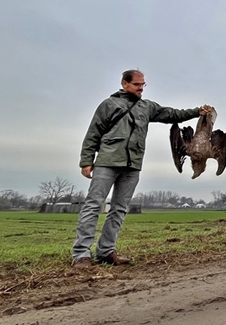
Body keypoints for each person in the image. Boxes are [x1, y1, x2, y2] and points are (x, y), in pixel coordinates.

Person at [71, 69, 211, 268]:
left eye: (143, 85)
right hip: (107, 162)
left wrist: (197, 111)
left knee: (119, 209)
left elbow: (172, 114)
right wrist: (86, 160)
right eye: (137, 84)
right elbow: (93, 133)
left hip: (133, 164)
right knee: (93, 205)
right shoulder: (109, 105)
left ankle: (106, 252)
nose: (141, 88)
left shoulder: (147, 107)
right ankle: (81, 255)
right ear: (125, 83)